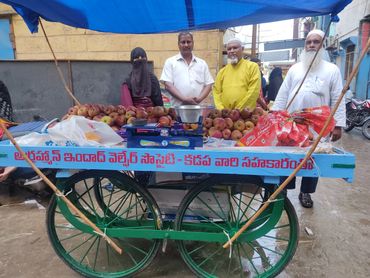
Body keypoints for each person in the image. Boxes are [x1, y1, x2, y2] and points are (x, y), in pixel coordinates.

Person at [271, 29, 346, 208]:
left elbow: (337, 98)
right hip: (293, 125)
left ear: (323, 45)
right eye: (309, 42)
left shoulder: (332, 70)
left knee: (313, 160)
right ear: (305, 46)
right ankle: (285, 190)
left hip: (317, 126)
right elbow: (283, 94)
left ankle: (306, 193)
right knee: (288, 157)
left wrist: (339, 125)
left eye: (316, 42)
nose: (312, 45)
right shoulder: (295, 69)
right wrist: (275, 115)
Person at [160, 32, 214, 106]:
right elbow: (168, 85)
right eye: (183, 42)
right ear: (178, 44)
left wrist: (199, 99)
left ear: (193, 43)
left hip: (197, 109)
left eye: (188, 42)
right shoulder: (170, 62)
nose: (186, 45)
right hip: (177, 110)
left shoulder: (202, 63)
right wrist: (184, 99)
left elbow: (208, 85)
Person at [213, 38, 261, 110]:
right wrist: (221, 110)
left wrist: (238, 110)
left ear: (242, 49)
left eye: (235, 48)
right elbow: (216, 92)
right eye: (229, 49)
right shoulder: (222, 71)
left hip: (245, 115)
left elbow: (254, 91)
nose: (232, 51)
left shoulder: (252, 67)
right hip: (225, 116)